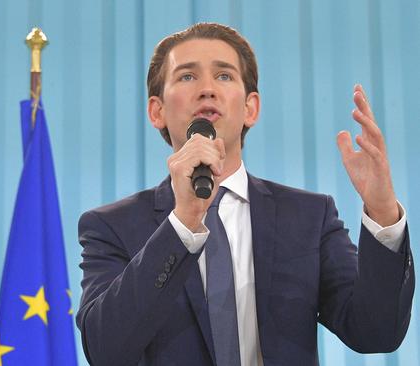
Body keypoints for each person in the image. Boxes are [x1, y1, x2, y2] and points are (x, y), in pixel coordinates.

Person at [76, 22, 413, 366]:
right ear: (156, 111)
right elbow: (106, 349)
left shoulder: (309, 216)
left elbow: (376, 332)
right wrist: (183, 223)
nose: (207, 89)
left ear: (251, 107)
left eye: (224, 76)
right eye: (187, 77)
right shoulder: (110, 227)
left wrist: (383, 209)